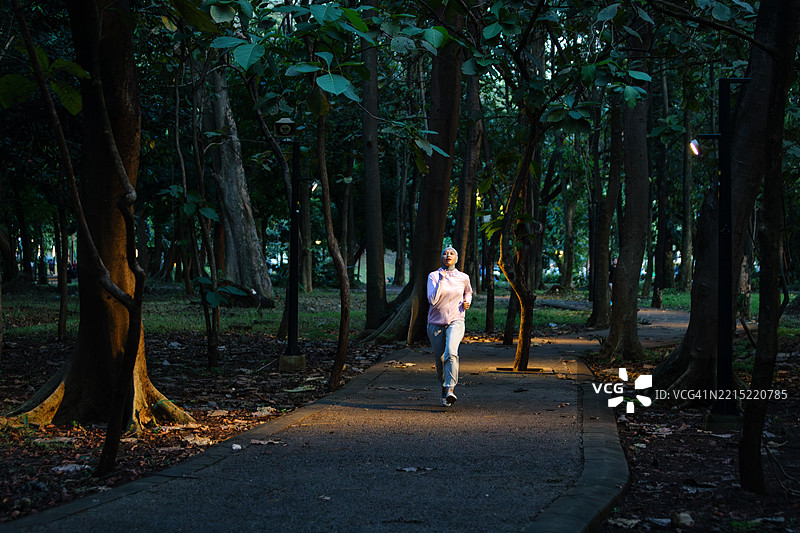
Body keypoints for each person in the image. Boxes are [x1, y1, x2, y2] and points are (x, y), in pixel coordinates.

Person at [427, 246, 472, 407]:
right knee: (440, 359)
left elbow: (468, 292)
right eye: (445, 253)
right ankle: (443, 388)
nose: (448, 255)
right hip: (435, 323)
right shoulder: (433, 276)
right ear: (441, 257)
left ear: (456, 258)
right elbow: (432, 300)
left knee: (451, 353)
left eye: (452, 253)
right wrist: (441, 279)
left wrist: (467, 302)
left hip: (456, 319)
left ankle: (450, 389)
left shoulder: (463, 277)